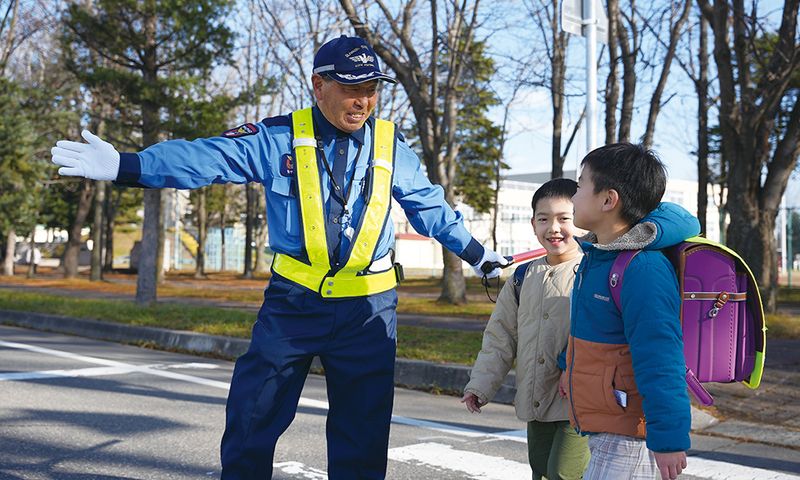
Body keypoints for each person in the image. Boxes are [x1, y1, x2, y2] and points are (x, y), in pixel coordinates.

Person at [50, 35, 508, 479]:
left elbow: (430, 208)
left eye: (370, 90)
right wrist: (127, 166)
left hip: (370, 311)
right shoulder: (278, 137)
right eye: (350, 89)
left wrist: (478, 255)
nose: (362, 102)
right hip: (293, 306)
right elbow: (207, 157)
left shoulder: (390, 145)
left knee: (363, 438)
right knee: (252, 418)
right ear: (319, 86)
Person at [557, 143, 700, 480]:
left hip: (632, 435)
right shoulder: (598, 257)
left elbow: (661, 356)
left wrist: (667, 440)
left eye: (579, 187)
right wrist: (569, 367)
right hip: (608, 425)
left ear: (608, 200)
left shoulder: (642, 268)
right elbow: (593, 328)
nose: (573, 198)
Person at [462, 178, 590, 480]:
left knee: (564, 473)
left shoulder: (591, 272)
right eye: (544, 219)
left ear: (581, 221)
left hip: (579, 400)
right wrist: (480, 385)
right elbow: (500, 337)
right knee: (542, 471)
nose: (553, 228)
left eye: (564, 219)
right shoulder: (522, 277)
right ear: (533, 224)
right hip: (536, 396)